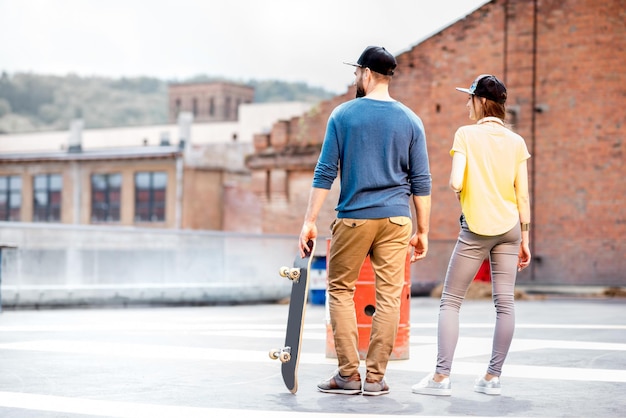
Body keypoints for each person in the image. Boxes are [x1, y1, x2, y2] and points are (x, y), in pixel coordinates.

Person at [298, 46, 432, 396]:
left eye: (357, 73)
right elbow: (422, 183)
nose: (356, 78)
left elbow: (325, 171)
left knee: (340, 290)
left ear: (367, 74)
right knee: (389, 297)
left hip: (355, 218)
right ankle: (375, 379)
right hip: (397, 220)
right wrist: (424, 231)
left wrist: (309, 220)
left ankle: (347, 374)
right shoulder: (411, 120)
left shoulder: (343, 115)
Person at [411, 74, 531, 397]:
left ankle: (441, 378)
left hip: (476, 229)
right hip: (510, 230)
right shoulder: (517, 142)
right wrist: (526, 240)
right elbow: (523, 197)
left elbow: (454, 182)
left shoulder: (465, 135)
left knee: (450, 301)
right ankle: (492, 377)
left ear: (480, 101)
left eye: (469, 98)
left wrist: (466, 186)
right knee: (505, 304)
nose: (467, 103)